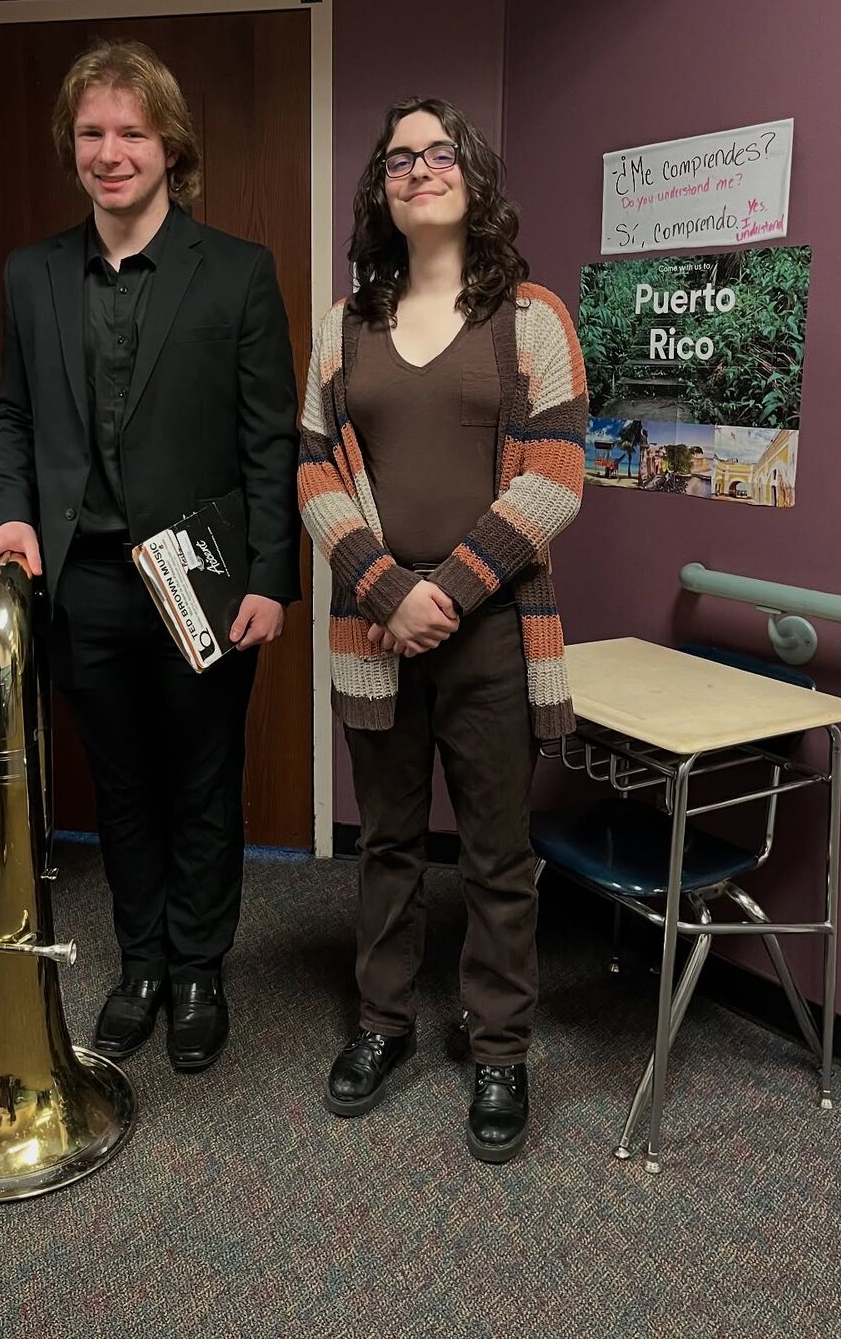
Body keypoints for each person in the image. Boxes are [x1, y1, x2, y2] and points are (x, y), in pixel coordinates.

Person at [0, 41, 300, 1073]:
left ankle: (201, 969)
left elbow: (269, 440)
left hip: (201, 575)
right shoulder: (32, 275)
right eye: (91, 133)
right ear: (74, 147)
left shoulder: (238, 273)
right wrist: (13, 515)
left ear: (169, 148)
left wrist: (272, 577)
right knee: (120, 787)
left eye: (131, 133)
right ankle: (142, 964)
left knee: (204, 776)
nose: (110, 153)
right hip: (86, 582)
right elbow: (15, 418)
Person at [298, 97, 586, 1162]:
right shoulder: (343, 326)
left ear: (473, 176)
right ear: (380, 185)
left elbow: (559, 476)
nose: (422, 169)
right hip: (373, 634)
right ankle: (382, 1026)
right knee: (385, 846)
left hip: (494, 634)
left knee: (499, 854)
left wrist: (449, 593)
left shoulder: (532, 318)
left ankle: (500, 1042)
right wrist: (383, 589)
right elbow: (312, 469)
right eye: (400, 157)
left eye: (441, 152)